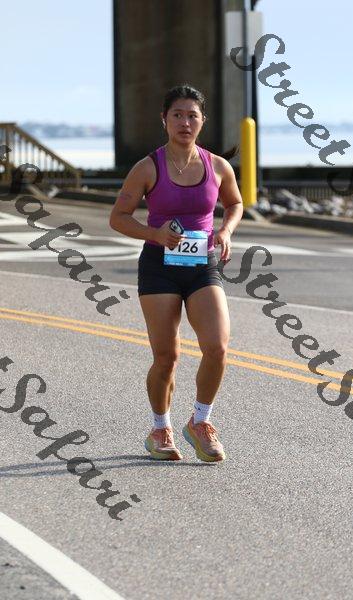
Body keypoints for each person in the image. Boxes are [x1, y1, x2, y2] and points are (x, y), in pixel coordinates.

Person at [109, 84, 243, 462]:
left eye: (192, 116)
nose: (185, 122)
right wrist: (154, 234)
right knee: (167, 356)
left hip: (203, 266)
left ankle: (200, 422)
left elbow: (235, 203)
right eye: (177, 115)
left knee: (217, 347)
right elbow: (118, 217)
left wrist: (226, 231)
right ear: (164, 120)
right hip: (159, 268)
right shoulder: (147, 167)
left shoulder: (217, 166)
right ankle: (160, 428)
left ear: (202, 121)